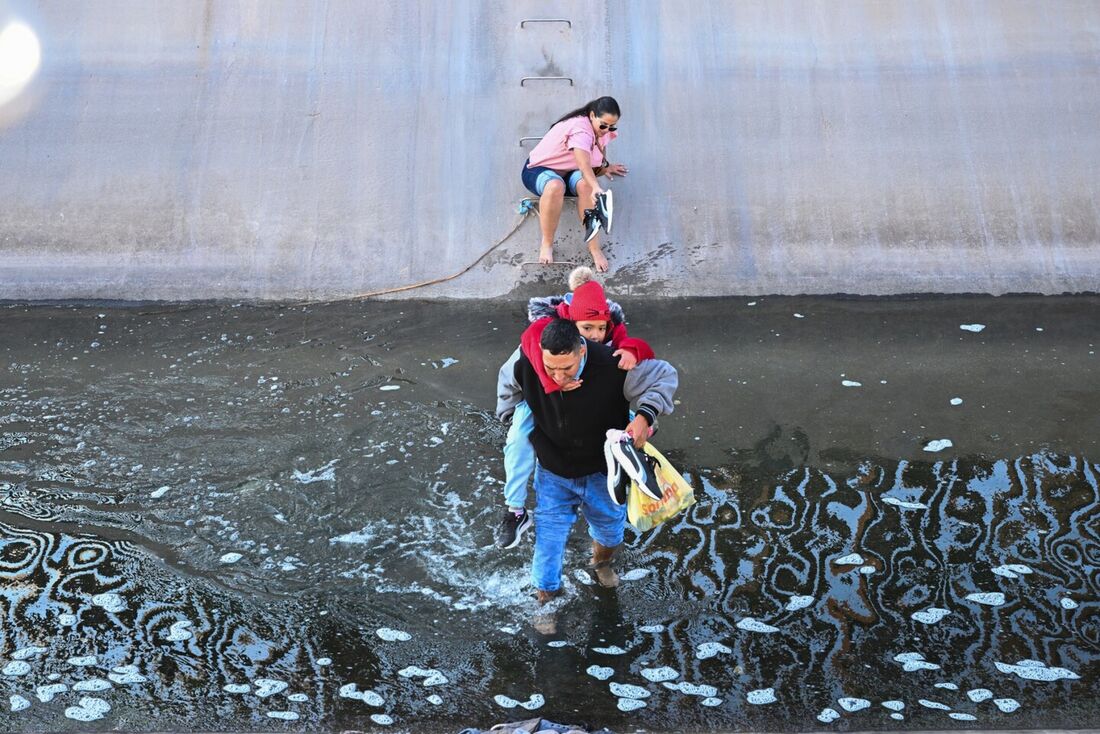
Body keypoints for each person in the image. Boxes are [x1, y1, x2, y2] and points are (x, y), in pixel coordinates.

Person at [496, 318, 677, 603]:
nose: (557, 377)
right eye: (550, 368)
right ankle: (546, 599)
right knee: (548, 542)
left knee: (610, 535)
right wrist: (511, 418)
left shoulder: (612, 365)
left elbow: (664, 376)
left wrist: (645, 416)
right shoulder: (526, 361)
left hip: (603, 474)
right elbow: (507, 384)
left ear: (582, 350)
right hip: (553, 471)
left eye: (566, 368)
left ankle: (601, 564)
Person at [494, 269, 654, 550]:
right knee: (518, 439)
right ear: (570, 322)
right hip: (542, 401)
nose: (595, 336)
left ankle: (629, 463)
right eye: (587, 328)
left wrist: (632, 351)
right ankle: (515, 510)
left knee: (632, 423)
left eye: (600, 328)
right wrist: (554, 384)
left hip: (591, 406)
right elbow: (518, 367)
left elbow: (637, 348)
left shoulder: (610, 327)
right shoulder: (546, 330)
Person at [522, 96, 629, 272]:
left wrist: (606, 167)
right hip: (539, 170)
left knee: (585, 187)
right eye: (603, 125)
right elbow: (583, 164)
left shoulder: (601, 129)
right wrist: (596, 186)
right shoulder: (581, 130)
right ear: (592, 115)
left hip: (568, 172)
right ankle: (547, 243)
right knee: (556, 186)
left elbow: (596, 159)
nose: (607, 130)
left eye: (612, 126)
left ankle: (594, 248)